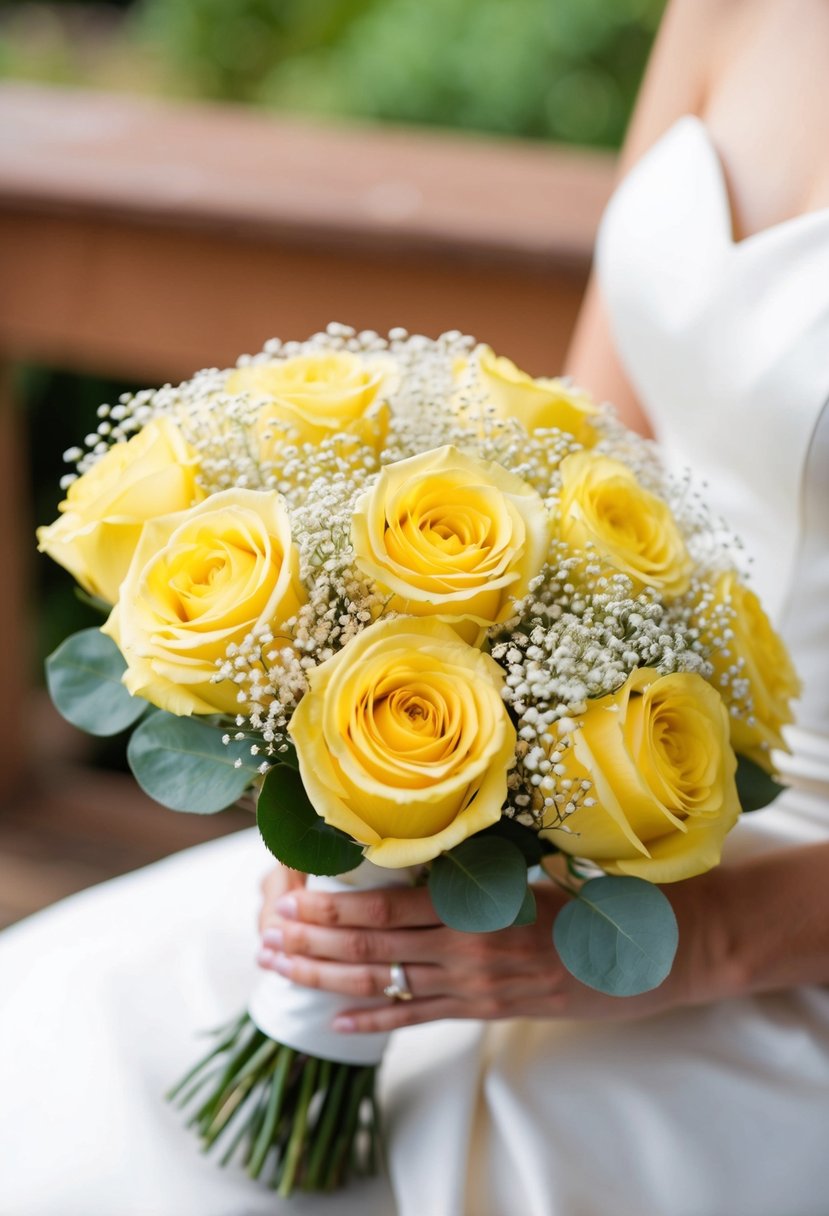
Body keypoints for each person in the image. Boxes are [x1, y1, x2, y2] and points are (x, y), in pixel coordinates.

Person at [2, 0, 828, 1212]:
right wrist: (379, 805)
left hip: (776, 947)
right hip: (611, 809)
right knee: (55, 1048)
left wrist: (702, 939)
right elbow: (582, 457)